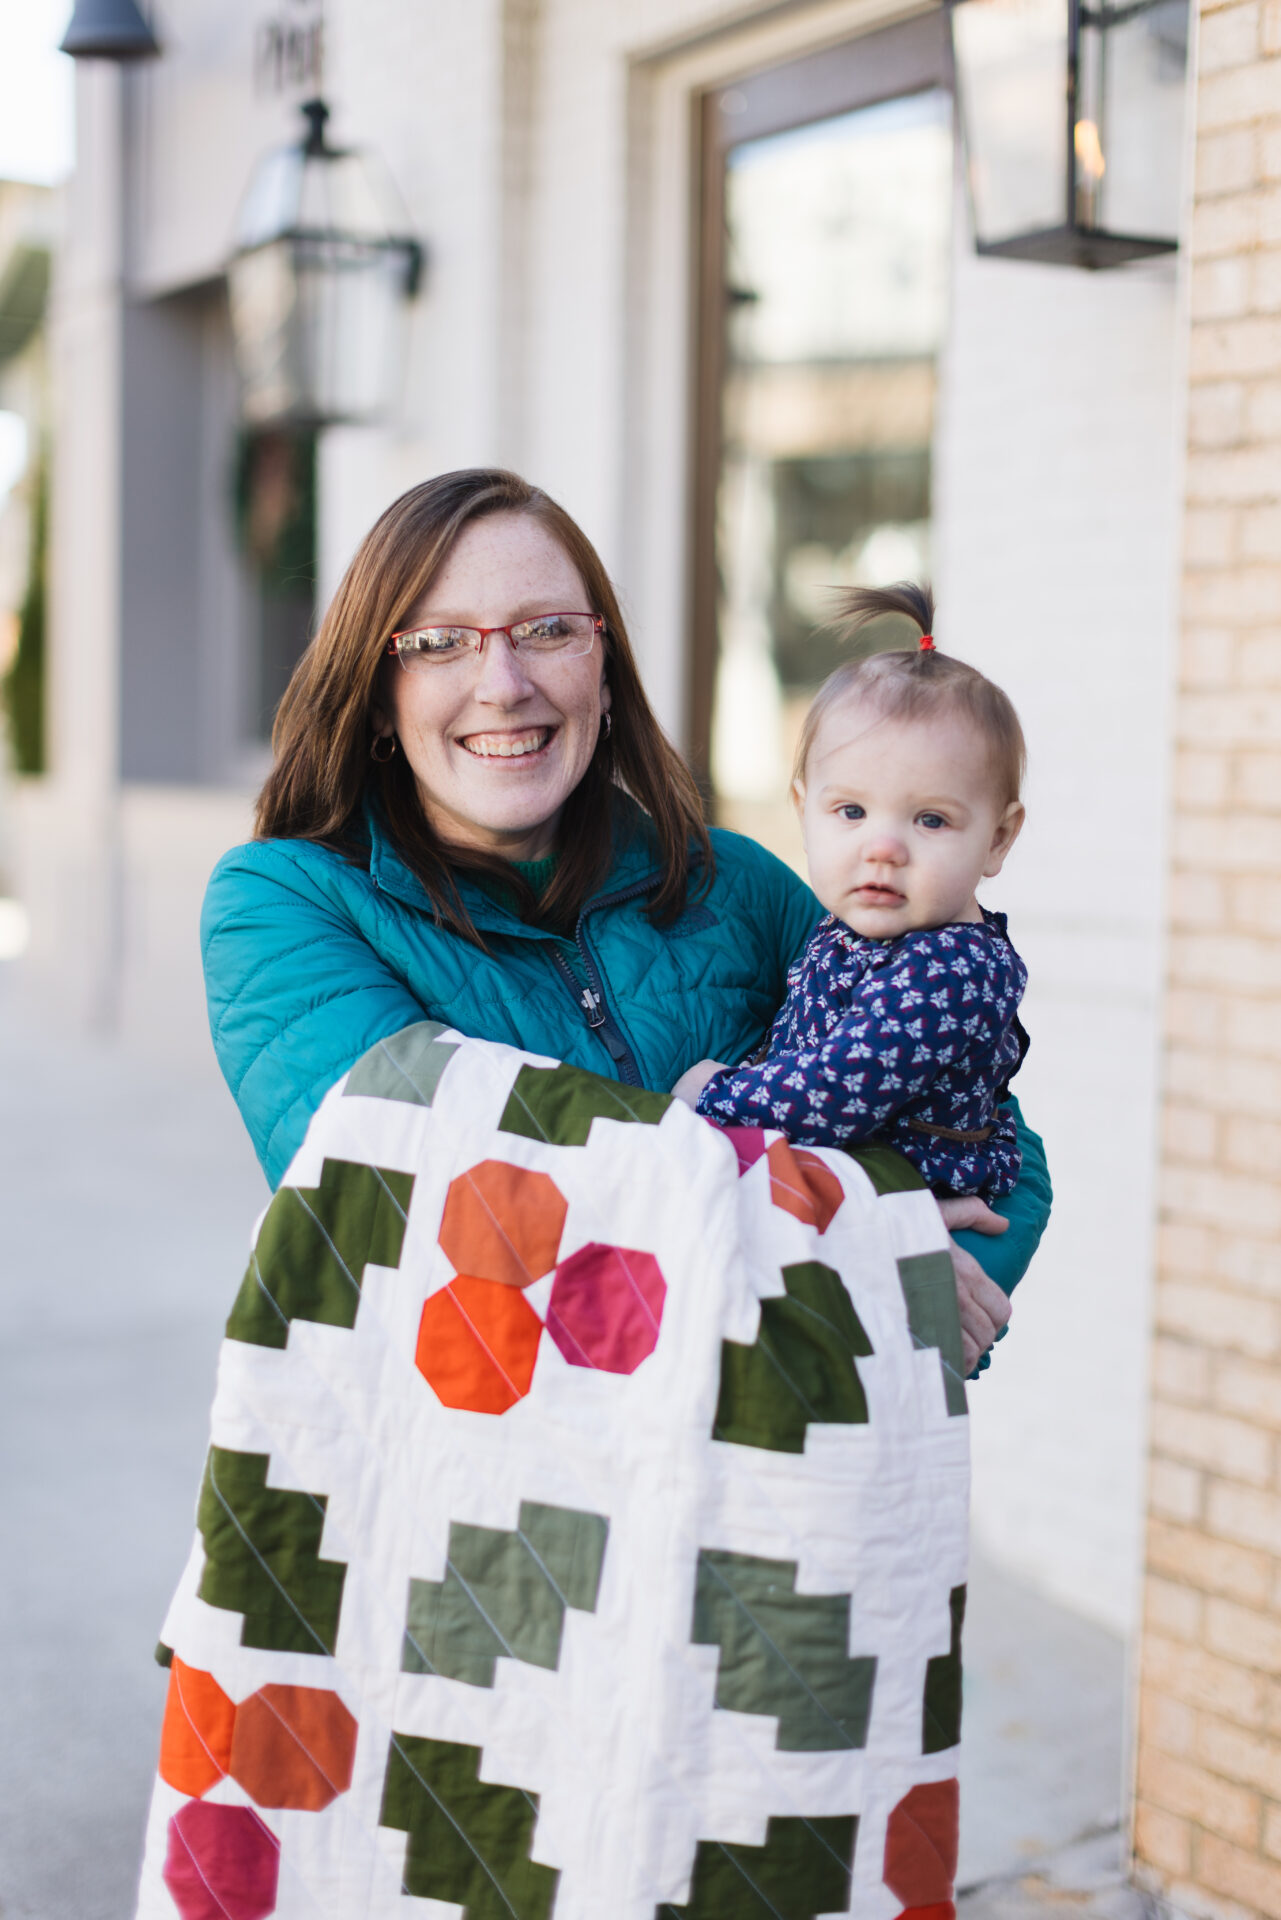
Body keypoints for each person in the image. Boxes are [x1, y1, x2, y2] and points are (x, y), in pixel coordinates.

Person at [201, 469, 1050, 1373]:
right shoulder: (284, 903)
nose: (503, 684)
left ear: (603, 672)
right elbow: (412, 1208)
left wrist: (904, 1288)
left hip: (755, 1456)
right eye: (439, 642)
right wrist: (866, 1257)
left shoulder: (738, 884)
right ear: (380, 695)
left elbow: (991, 1146)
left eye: (548, 630)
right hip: (484, 1449)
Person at [677, 583, 1029, 1206]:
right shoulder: (853, 927)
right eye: (852, 811)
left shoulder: (953, 968)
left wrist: (713, 1092)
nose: (883, 848)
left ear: (997, 840)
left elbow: (836, 1092)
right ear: (803, 810)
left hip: (891, 1207)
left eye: (930, 820)